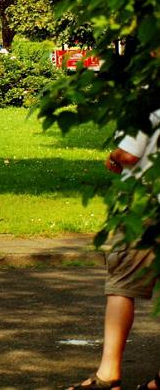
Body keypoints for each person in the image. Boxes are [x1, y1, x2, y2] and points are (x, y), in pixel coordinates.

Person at [65, 109, 160, 390]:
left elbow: (130, 153)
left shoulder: (146, 94)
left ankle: (108, 376)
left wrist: (113, 156)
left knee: (122, 283)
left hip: (147, 205)